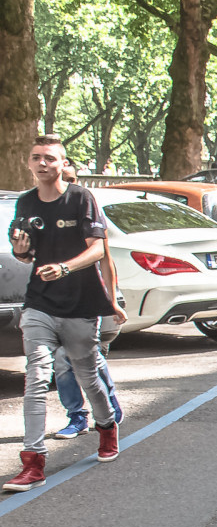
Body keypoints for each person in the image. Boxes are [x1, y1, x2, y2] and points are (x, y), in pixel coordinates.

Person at [5, 135, 126, 493]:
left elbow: (98, 250)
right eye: (36, 158)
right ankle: (33, 461)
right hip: (40, 302)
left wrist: (65, 269)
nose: (42, 164)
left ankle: (106, 428)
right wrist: (21, 251)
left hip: (80, 304)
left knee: (88, 375)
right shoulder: (26, 202)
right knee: (37, 377)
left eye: (50, 158)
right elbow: (26, 255)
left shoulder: (81, 198)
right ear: (29, 163)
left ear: (62, 164)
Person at [51, 161, 124, 438]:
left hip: (85, 297)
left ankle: (108, 405)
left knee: (82, 357)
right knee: (61, 358)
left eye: (71, 179)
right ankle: (77, 416)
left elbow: (106, 259)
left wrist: (112, 299)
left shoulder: (87, 209)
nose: (67, 185)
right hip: (52, 300)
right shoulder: (42, 210)